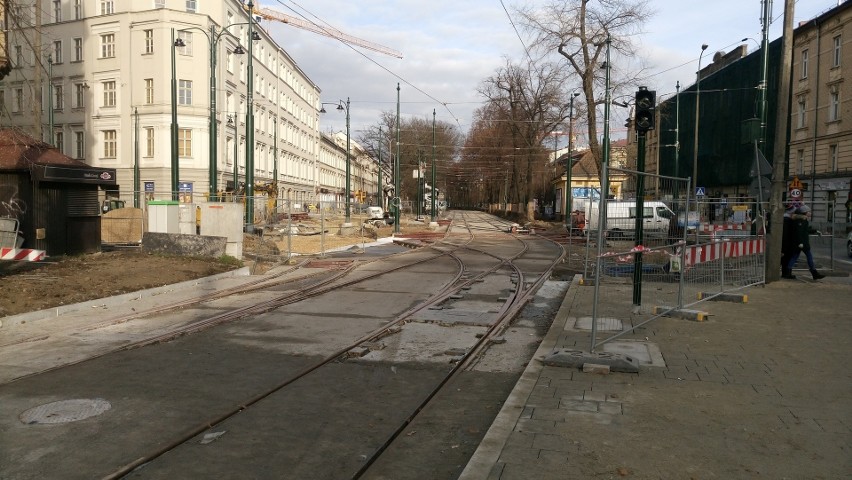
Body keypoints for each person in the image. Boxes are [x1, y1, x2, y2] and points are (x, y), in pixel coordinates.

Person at [784, 205, 825, 280]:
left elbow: (805, 230)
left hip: (800, 243)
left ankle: (788, 272)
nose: (810, 213)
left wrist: (815, 231)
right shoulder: (801, 220)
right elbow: (799, 232)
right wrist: (800, 242)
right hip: (802, 243)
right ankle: (814, 273)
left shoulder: (803, 219)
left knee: (794, 257)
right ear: (805, 212)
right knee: (809, 256)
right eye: (808, 211)